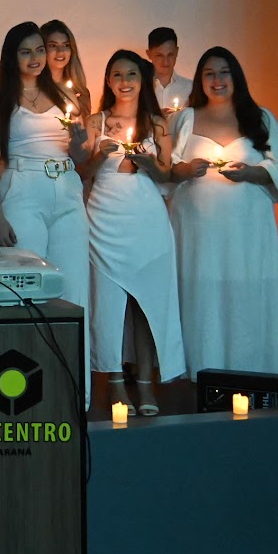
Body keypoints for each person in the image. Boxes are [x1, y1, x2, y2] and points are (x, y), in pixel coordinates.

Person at [0, 22, 91, 395]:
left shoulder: (64, 94)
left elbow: (80, 157)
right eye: (26, 51)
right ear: (12, 56)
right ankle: (25, 389)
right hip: (23, 187)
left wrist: (79, 143)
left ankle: (74, 392)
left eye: (39, 50)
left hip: (66, 186)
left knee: (72, 289)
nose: (35, 58)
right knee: (27, 288)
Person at [168, 47, 278, 376]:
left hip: (247, 228)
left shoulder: (260, 118)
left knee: (246, 292)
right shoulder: (185, 119)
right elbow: (167, 169)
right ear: (200, 80)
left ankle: (254, 368)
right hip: (198, 230)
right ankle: (203, 368)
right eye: (209, 74)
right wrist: (186, 169)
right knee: (203, 294)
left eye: (224, 72)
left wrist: (251, 172)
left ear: (236, 76)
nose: (217, 80)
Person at [79, 52, 185, 415]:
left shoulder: (156, 123)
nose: (124, 82)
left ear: (142, 80)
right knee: (108, 306)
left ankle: (144, 383)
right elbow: (83, 171)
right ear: (108, 81)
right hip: (105, 218)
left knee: (146, 303)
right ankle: (114, 382)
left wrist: (148, 163)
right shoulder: (96, 121)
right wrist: (99, 155)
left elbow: (166, 174)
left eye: (132, 75)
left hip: (146, 218)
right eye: (117, 75)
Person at [40, 19, 92, 118]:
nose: (60, 51)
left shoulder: (80, 92)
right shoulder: (34, 90)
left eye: (66, 45)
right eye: (53, 45)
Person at [146, 27, 194, 115]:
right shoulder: (140, 89)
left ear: (177, 52)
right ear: (149, 54)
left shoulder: (191, 89)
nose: (166, 61)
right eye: (159, 55)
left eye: (170, 55)